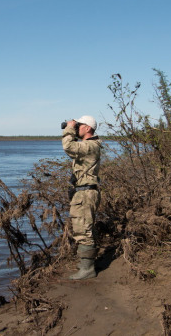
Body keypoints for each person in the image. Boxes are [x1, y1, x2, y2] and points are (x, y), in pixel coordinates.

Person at [62, 115, 102, 280]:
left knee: (83, 229)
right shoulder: (89, 146)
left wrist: (69, 128)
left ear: (87, 128)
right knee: (84, 227)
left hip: (85, 193)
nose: (76, 128)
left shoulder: (91, 145)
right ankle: (86, 263)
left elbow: (68, 147)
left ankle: (88, 269)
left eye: (79, 126)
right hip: (84, 191)